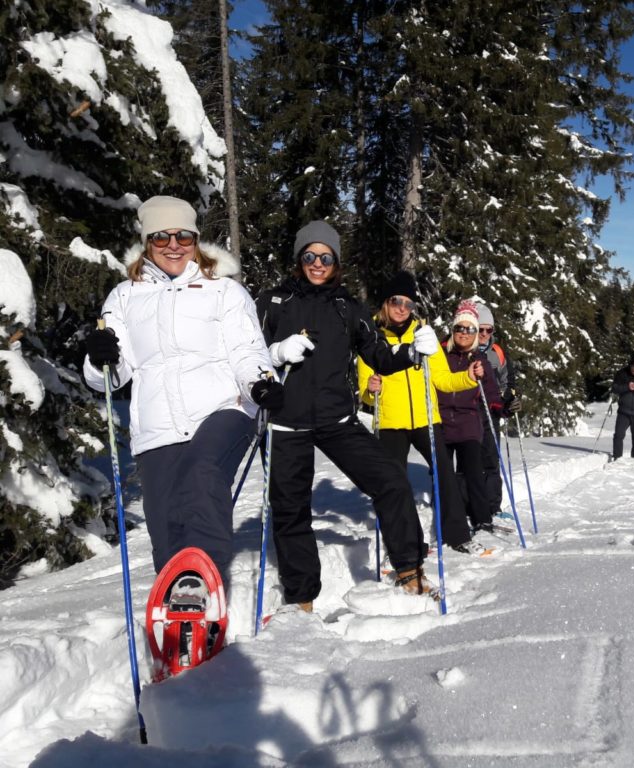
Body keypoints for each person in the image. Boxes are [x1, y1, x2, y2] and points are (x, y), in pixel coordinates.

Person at [82, 195, 282, 587]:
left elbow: (247, 350)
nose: (173, 245)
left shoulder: (223, 291)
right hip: (157, 427)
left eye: (183, 236)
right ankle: (180, 610)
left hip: (224, 409)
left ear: (195, 240)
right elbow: (111, 378)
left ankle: (198, 581)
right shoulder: (123, 297)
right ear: (147, 242)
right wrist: (100, 358)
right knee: (167, 528)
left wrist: (261, 383)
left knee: (203, 474)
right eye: (161, 237)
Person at [254, 221, 441, 608]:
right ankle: (301, 597)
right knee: (290, 509)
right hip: (285, 422)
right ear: (299, 258)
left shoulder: (347, 307)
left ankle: (409, 569)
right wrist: (274, 354)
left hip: (337, 420)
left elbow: (378, 355)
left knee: (391, 480)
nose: (317, 263)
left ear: (336, 262)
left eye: (326, 257)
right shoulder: (273, 302)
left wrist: (411, 352)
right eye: (310, 255)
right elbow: (246, 354)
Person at [357, 272, 490, 556]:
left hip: (426, 419)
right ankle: (406, 542)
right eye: (397, 301)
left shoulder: (423, 334)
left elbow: (442, 379)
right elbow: (366, 391)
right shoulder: (371, 337)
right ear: (386, 302)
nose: (402, 308)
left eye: (409, 304)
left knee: (445, 476)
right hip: (391, 422)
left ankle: (458, 535)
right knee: (394, 484)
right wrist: (370, 389)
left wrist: (467, 376)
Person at [436, 300, 506, 533]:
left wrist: (502, 407)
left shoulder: (479, 360)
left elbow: (491, 392)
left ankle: (481, 518)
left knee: (473, 472)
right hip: (441, 421)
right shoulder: (439, 354)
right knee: (444, 474)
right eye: (460, 328)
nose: (464, 333)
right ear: (453, 330)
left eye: (470, 329)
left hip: (468, 423)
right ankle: (449, 517)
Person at [475, 303, 520, 518]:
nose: (484, 334)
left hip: (491, 412)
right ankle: (471, 508)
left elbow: (508, 382)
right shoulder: (464, 349)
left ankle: (493, 506)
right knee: (470, 463)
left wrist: (510, 400)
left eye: (489, 330)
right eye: (480, 329)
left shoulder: (497, 353)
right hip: (467, 413)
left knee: (491, 461)